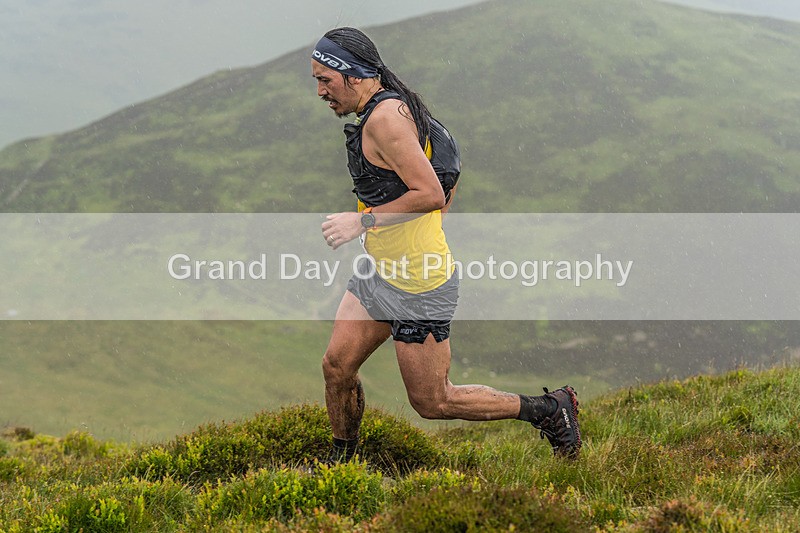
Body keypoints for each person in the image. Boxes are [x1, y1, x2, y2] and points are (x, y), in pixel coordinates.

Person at [311, 27, 581, 461]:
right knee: (337, 367)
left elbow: (433, 193)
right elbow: (448, 165)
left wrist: (361, 222)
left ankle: (550, 410)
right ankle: (343, 462)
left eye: (326, 79)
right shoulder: (393, 110)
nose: (321, 91)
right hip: (380, 271)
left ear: (355, 75)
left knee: (433, 402)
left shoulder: (386, 118)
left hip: (419, 284)